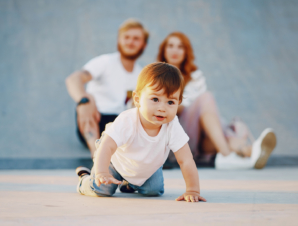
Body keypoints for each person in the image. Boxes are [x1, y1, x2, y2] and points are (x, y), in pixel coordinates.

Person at [76, 63, 207, 202]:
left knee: (154, 191)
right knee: (103, 188)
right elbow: (107, 146)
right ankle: (85, 179)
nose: (162, 108)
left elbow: (186, 159)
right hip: (115, 161)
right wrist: (102, 172)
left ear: (178, 102)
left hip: (145, 167)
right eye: (155, 99)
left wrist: (193, 190)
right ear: (137, 99)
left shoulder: (172, 125)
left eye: (170, 102)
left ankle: (129, 183)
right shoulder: (128, 120)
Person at [157, 32, 277, 169]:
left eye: (180, 47)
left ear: (186, 51)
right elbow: (177, 109)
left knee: (216, 131)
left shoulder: (195, 77)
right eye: (170, 46)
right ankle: (233, 154)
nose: (175, 50)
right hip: (175, 139)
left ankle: (251, 152)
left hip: (200, 142)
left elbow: (195, 110)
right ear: (164, 50)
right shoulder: (156, 76)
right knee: (206, 98)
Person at [65, 19, 148, 158]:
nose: (130, 42)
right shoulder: (105, 62)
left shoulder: (142, 75)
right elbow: (73, 79)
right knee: (87, 100)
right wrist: (83, 100)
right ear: (118, 41)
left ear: (143, 45)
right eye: (126, 37)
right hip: (96, 119)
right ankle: (96, 155)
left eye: (136, 38)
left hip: (121, 124)